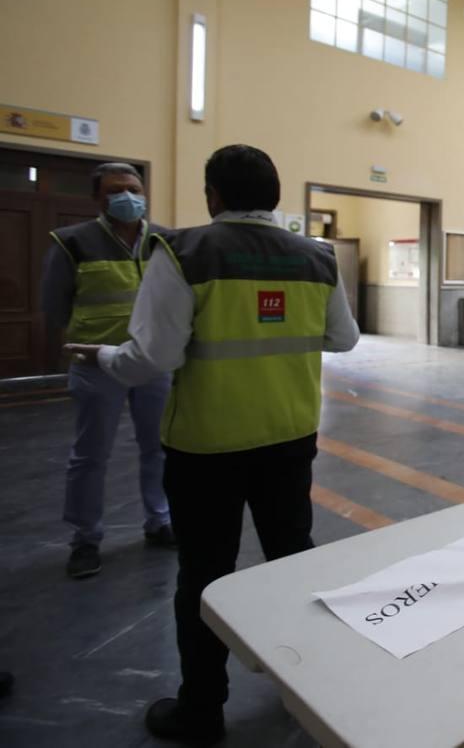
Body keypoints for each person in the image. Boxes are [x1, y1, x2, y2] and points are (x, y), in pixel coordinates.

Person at [66, 144, 360, 743]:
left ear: (214, 196)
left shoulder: (182, 252)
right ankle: (309, 689)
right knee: (292, 560)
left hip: (208, 447)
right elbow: (345, 339)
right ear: (274, 195)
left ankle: (202, 710)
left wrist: (100, 355)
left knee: (205, 576)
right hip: (290, 437)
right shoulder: (317, 257)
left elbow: (153, 357)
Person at [40, 162, 175, 579]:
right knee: (90, 454)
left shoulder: (165, 241)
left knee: (159, 447)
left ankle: (160, 520)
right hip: (96, 363)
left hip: (151, 362)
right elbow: (55, 306)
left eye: (133, 188)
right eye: (116, 190)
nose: (128, 197)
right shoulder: (72, 242)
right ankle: (85, 538)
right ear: (98, 198)